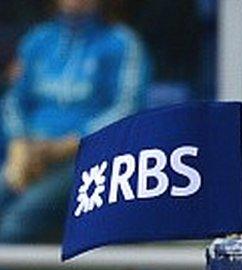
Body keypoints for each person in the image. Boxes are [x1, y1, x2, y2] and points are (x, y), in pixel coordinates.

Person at [0, 0, 150, 243]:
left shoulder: (122, 43)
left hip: (88, 160)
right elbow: (13, 101)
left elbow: (127, 110)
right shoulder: (38, 40)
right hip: (28, 153)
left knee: (18, 218)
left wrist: (66, 146)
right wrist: (20, 143)